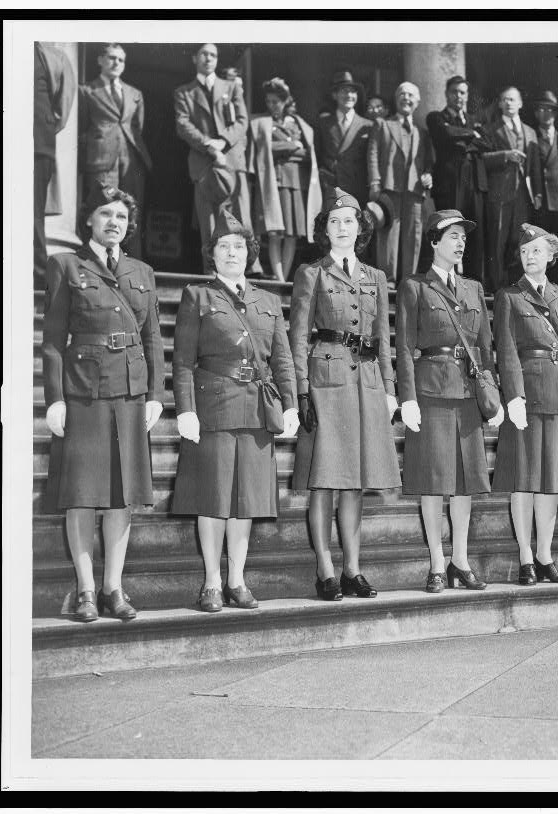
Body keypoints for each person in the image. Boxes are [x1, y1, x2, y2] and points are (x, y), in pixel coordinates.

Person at [42, 184, 164, 621]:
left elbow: (152, 338)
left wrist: (156, 395)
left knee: (121, 496)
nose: (114, 222)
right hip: (85, 393)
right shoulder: (65, 265)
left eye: (122, 216)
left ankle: (114, 587)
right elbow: (54, 340)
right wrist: (54, 399)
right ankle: (86, 590)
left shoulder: (142, 272)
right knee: (81, 495)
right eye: (105, 214)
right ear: (89, 221)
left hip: (130, 395)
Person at [171, 210, 299, 611]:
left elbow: (283, 360)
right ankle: (211, 581)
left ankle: (237, 579)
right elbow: (182, 362)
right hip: (213, 407)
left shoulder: (269, 301)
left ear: (249, 253)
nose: (231, 252)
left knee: (246, 499)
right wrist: (185, 409)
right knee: (212, 498)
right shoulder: (198, 296)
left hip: (257, 408)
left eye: (238, 246)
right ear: (213, 254)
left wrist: (291, 403)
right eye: (224, 246)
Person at [289, 189, 400, 600]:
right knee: (324, 481)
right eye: (334, 222)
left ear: (360, 228)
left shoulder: (376, 278)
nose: (342, 228)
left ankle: (353, 568)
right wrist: (300, 392)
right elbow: (298, 337)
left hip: (366, 383)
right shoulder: (311, 273)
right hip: (327, 381)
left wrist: (389, 390)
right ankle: (325, 568)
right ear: (325, 230)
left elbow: (382, 339)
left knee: (354, 481)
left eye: (349, 221)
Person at [396, 210, 505, 592]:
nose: (460, 243)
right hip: (431, 392)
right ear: (433, 243)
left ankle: (460, 558)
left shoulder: (474, 289)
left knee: (464, 482)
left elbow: (486, 350)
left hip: (468, 394)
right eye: (453, 236)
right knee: (432, 480)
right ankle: (437, 563)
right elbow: (405, 347)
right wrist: (405, 397)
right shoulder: (415, 287)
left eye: (463, 237)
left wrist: (494, 394)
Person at [492, 224, 558, 584]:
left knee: (551, 479)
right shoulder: (510, 296)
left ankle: (546, 555)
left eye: (536, 250)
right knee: (525, 479)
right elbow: (506, 349)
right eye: (524, 251)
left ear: (551, 253)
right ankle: (525, 558)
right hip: (528, 395)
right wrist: (513, 395)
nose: (530, 256)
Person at [173, 43, 251, 271]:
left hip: (231, 163)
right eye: (205, 54)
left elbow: (242, 121)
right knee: (209, 224)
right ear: (195, 58)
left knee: (237, 221)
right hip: (203, 162)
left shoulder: (231, 87)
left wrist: (222, 141)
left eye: (214, 55)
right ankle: (211, 275)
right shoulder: (184, 92)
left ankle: (239, 275)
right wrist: (208, 144)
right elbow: (182, 124)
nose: (209, 59)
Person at [78, 43, 152, 260]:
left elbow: (137, 128)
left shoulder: (134, 93)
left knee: (130, 213)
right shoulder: (87, 91)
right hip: (101, 160)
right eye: (111, 58)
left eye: (120, 60)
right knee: (102, 211)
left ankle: (131, 266)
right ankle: (97, 264)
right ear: (100, 60)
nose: (116, 63)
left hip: (131, 159)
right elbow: (81, 129)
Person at [249, 77, 322, 282]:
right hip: (275, 182)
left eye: (276, 101)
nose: (271, 105)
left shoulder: (299, 123)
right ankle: (280, 278)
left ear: (285, 101)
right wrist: (292, 146)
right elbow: (266, 149)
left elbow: (309, 154)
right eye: (269, 101)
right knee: (275, 232)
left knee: (291, 234)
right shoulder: (263, 123)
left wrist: (291, 150)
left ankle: (284, 278)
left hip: (297, 182)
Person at [426, 76, 492, 283]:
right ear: (446, 94)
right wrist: (473, 136)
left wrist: (464, 137)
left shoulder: (474, 120)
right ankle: (446, 280)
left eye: (463, 92)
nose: (459, 96)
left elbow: (488, 144)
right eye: (455, 92)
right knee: (448, 231)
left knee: (475, 233)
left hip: (474, 182)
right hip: (450, 183)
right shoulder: (436, 117)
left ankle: (474, 281)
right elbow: (445, 134)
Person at [368, 81, 434, 282]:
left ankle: (408, 281)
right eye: (402, 94)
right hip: (389, 187)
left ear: (418, 102)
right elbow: (373, 154)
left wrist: (428, 176)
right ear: (396, 100)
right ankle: (387, 281)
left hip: (414, 190)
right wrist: (374, 183)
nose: (406, 98)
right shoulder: (384, 125)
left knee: (413, 235)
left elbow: (428, 162)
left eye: (411, 95)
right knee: (388, 232)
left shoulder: (422, 132)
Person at [482, 86, 541, 290]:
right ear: (499, 103)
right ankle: (497, 288)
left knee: (521, 241)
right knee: (498, 242)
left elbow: (535, 167)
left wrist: (538, 192)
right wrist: (506, 155)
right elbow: (483, 159)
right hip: (499, 194)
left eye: (513, 99)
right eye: (505, 99)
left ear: (520, 103)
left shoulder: (531, 132)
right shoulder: (490, 129)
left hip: (523, 196)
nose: (509, 103)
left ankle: (517, 286)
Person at [34, 42, 77, 281]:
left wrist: (43, 130)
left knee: (32, 212)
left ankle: (38, 273)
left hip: (37, 146)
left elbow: (61, 109)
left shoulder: (52, 56)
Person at [530, 91, 558, 285]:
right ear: (536, 113)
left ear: (555, 114)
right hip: (539, 198)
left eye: (550, 110)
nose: (546, 114)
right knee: (541, 244)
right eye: (542, 109)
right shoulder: (531, 136)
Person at [316, 71, 372, 206]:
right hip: (330, 188)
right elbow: (317, 155)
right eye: (344, 91)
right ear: (334, 95)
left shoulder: (368, 125)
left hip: (357, 190)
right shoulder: (323, 123)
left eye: (353, 92)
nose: (349, 96)